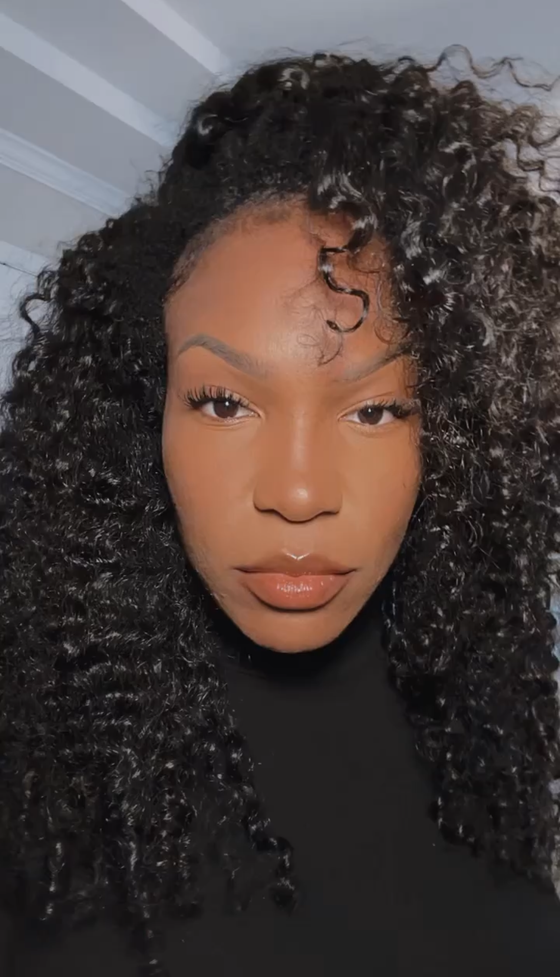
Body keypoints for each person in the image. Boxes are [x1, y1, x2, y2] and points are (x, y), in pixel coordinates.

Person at [0, 46, 560, 977]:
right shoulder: (32, 776)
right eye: (224, 401)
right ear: (141, 409)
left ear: (453, 434)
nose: (298, 493)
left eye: (376, 409)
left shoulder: (483, 738)